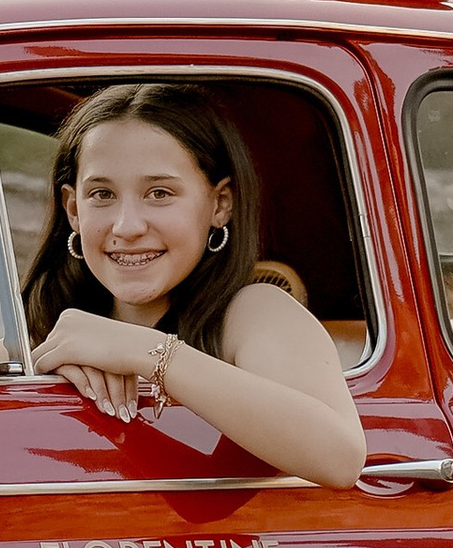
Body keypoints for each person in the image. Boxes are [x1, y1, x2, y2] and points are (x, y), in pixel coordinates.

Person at [20, 82, 366, 489]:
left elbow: (339, 458)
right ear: (73, 209)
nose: (127, 226)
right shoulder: (30, 327)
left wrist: (140, 351)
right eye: (102, 194)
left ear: (220, 204)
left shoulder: (253, 312)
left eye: (160, 193)